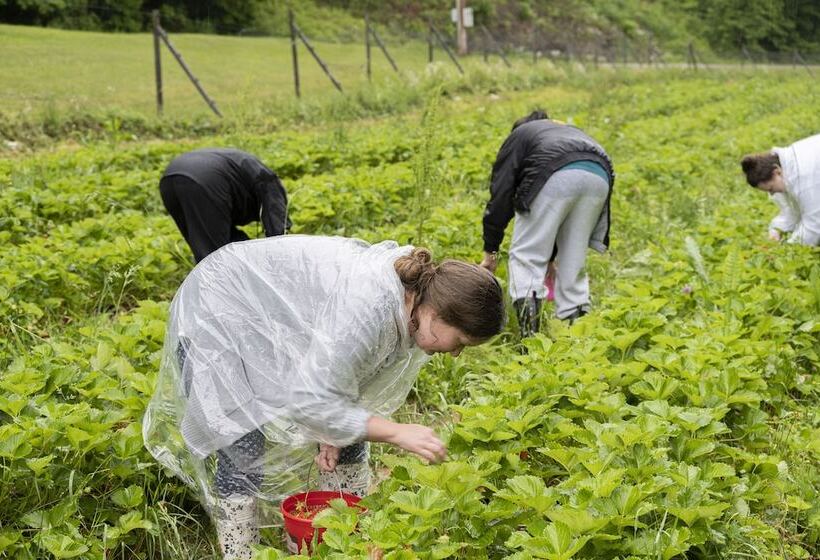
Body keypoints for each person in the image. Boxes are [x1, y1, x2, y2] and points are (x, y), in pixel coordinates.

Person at [142, 235, 504, 559]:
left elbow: (349, 373)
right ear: (436, 314)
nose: (456, 354)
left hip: (262, 316)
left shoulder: (410, 308)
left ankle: (341, 541)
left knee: (352, 435)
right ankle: (242, 554)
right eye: (460, 342)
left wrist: (334, 429)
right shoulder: (371, 306)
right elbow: (311, 402)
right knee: (243, 443)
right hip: (220, 312)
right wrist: (396, 432)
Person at [479, 110, 614, 336]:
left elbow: (501, 195)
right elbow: (556, 216)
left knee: (526, 257)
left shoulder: (520, 134)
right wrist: (550, 258)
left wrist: (490, 251)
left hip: (556, 174)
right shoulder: (568, 131)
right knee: (573, 260)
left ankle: (531, 341)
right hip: (598, 173)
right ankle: (578, 340)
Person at [159, 148, 291, 263]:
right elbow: (279, 229)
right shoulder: (269, 181)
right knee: (215, 256)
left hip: (169, 179)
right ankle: (221, 290)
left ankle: (225, 282)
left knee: (205, 241)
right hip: (208, 179)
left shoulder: (250, 172)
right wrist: (281, 257)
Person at [740, 134, 820, 246]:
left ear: (776, 171)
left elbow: (814, 224)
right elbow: (792, 210)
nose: (772, 193)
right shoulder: (786, 170)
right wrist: (777, 229)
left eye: (771, 188)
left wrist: (789, 249)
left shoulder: (803, 177)